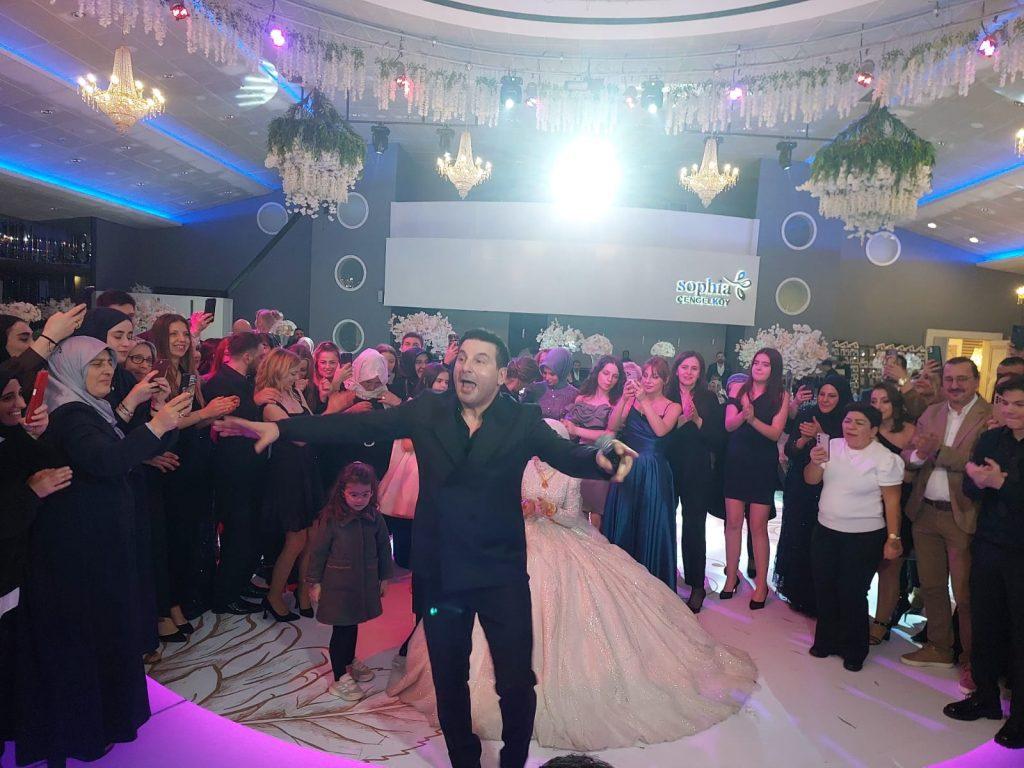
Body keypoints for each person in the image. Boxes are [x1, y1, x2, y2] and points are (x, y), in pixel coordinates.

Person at [214, 328, 635, 768]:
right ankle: (464, 760)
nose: (466, 367)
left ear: (501, 374)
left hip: (501, 572)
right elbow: (356, 424)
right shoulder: (428, 410)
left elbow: (566, 455)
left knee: (516, 681)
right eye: (463, 357)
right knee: (449, 678)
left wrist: (606, 459)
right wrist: (280, 428)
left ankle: (513, 761)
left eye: (480, 360)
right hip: (442, 572)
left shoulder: (523, 419)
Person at [388, 419, 757, 751]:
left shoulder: (569, 475)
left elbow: (572, 515)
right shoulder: (521, 467)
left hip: (565, 539)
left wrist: (547, 511)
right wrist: (520, 508)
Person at [15, 336, 191, 766]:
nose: (107, 370)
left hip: (96, 542)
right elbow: (107, 461)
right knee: (84, 641)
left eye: (109, 363)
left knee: (104, 635)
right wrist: (158, 424)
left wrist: (155, 417)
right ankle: (84, 733)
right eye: (95, 364)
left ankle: (101, 724)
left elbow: (126, 448)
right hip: (77, 549)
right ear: (71, 368)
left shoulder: (89, 408)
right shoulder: (70, 414)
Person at [900, 358, 992, 694]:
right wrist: (919, 456)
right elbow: (910, 454)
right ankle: (939, 647)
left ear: (976, 381)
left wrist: (936, 450)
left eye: (962, 379)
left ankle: (972, 660)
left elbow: (976, 464)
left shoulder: (989, 417)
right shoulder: (932, 412)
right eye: (950, 379)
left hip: (963, 515)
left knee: (965, 594)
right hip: (925, 512)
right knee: (932, 586)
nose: (954, 385)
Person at [943, 374, 1024, 749]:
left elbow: (1003, 488)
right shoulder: (991, 439)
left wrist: (1001, 484)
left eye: (1019, 404)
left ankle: (1020, 718)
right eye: (1004, 402)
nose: (1010, 410)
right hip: (989, 543)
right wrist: (977, 479)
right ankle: (986, 697)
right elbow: (969, 485)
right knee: (986, 623)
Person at [804, 403, 904, 672]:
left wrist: (893, 538)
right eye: (848, 421)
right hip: (825, 530)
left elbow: (892, 502)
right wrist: (815, 461)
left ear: (873, 430)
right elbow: (811, 480)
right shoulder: (832, 447)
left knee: (853, 592)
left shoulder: (885, 459)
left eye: (859, 423)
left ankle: (854, 648)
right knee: (824, 587)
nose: (851, 427)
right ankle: (826, 641)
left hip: (863, 536)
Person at [0, 361, 66, 750]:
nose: (20, 404)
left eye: (20, 395)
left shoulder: (12, 435)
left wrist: (39, 434)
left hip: (17, 566)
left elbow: (51, 465)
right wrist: (30, 493)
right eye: (8, 398)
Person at [306, 462, 394, 700]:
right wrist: (314, 582)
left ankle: (348, 660)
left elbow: (384, 548)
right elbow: (318, 552)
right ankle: (339, 676)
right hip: (338, 585)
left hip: (363, 582)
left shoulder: (374, 517)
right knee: (341, 628)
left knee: (353, 624)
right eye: (354, 494)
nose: (359, 500)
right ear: (342, 491)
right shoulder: (331, 519)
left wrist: (385, 577)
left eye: (365, 494)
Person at [773, 379, 851, 616]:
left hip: (831, 487)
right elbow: (790, 450)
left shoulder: (847, 421)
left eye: (832, 395)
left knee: (821, 542)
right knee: (797, 534)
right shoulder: (808, 413)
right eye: (822, 394)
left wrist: (820, 435)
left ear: (841, 397)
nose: (825, 400)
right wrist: (804, 440)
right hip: (800, 485)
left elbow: (842, 454)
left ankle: (820, 596)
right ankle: (797, 592)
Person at [603, 356, 682, 590]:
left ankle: (650, 587)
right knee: (625, 521)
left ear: (665, 380)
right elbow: (613, 426)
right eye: (645, 375)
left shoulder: (673, 407)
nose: (648, 381)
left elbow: (660, 431)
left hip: (653, 471)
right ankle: (620, 583)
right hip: (628, 467)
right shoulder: (632, 401)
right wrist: (624, 400)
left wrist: (644, 401)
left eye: (654, 377)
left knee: (650, 524)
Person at [257, 348, 323, 621]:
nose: (297, 377)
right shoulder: (270, 405)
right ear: (278, 371)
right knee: (295, 540)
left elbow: (313, 426)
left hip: (308, 469)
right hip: (288, 475)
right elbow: (300, 437)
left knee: (312, 538)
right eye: (293, 372)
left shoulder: (296, 394)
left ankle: (303, 592)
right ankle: (274, 596)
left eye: (298, 372)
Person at [204, 331, 267, 614]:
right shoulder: (224, 383)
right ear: (249, 356)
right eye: (261, 356)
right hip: (233, 470)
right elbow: (231, 425)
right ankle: (225, 595)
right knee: (237, 533)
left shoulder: (241, 381)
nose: (263, 361)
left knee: (246, 532)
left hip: (246, 468)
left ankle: (239, 583)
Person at [723, 347, 790, 609]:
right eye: (756, 363)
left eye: (765, 364)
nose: (759, 367)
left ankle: (761, 584)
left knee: (758, 526)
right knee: (732, 523)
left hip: (762, 464)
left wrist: (752, 420)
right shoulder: (739, 389)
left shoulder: (781, 395)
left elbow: (775, 433)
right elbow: (729, 425)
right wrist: (743, 415)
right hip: (736, 461)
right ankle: (731, 576)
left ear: (774, 369)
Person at [665, 351, 726, 613]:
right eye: (684, 367)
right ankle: (664, 576)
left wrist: (698, 420)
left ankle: (696, 585)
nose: (688, 372)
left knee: (694, 528)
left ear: (700, 372)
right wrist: (678, 423)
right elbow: (657, 436)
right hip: (668, 467)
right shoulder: (665, 394)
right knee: (664, 524)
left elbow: (718, 440)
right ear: (676, 369)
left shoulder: (708, 398)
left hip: (697, 470)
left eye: (694, 368)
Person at [868, 382, 918, 644]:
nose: (878, 406)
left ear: (895, 404)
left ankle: (881, 623)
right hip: (868, 504)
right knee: (866, 563)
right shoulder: (867, 428)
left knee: (890, 568)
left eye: (884, 400)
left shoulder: (911, 431)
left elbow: (912, 473)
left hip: (899, 504)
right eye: (874, 401)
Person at [563, 355, 624, 530]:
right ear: (597, 372)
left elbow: (609, 435)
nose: (609, 379)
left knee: (597, 515)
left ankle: (596, 547)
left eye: (615, 376)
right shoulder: (581, 398)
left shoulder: (616, 403)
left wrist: (576, 430)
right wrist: (567, 426)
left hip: (601, 459)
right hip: (579, 457)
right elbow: (571, 430)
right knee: (576, 510)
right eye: (606, 373)